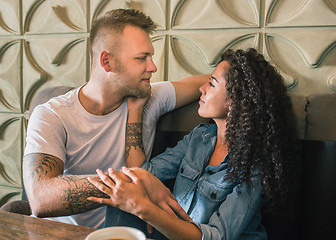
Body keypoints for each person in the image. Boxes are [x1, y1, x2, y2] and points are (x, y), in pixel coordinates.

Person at [20, 8, 208, 229]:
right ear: (107, 62)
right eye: (141, 58)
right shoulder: (51, 115)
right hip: (56, 234)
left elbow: (211, 81)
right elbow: (40, 198)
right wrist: (137, 179)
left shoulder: (148, 96)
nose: (152, 67)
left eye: (151, 56)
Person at [87, 48, 299, 239]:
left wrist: (143, 209)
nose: (201, 88)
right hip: (178, 233)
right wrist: (135, 110)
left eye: (212, 83)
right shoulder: (200, 138)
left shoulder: (253, 163)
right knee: (120, 199)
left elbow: (217, 236)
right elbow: (142, 172)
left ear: (236, 100)